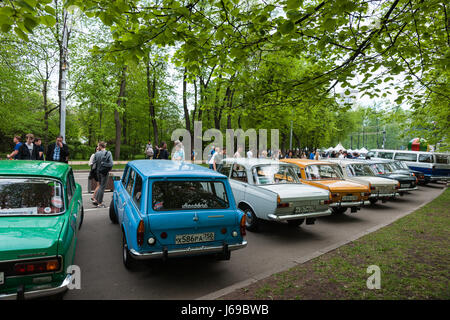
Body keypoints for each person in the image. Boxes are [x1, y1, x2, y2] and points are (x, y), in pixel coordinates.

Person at [92, 141, 113, 208]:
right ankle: (100, 203)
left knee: (100, 186)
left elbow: (93, 163)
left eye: (98, 146)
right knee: (102, 187)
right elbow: (111, 164)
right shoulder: (108, 153)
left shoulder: (96, 154)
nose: (98, 147)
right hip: (104, 172)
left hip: (98, 172)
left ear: (100, 146)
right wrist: (105, 165)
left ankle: (95, 200)